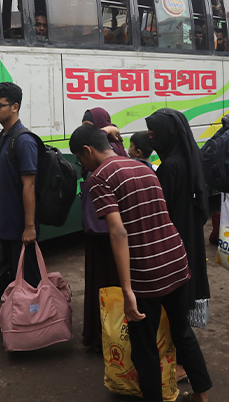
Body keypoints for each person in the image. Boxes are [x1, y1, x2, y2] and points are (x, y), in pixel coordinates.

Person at [70, 124, 212, 402]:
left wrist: (127, 289)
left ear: (87, 151)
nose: (81, 164)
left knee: (144, 346)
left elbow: (118, 231)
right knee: (182, 331)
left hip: (147, 271)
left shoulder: (99, 178)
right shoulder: (143, 166)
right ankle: (201, 395)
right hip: (176, 259)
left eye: (79, 158)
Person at [145, 109, 210, 384]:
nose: (150, 139)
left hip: (174, 239)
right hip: (190, 236)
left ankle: (182, 363)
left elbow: (161, 209)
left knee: (176, 306)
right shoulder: (189, 159)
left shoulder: (170, 166)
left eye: (153, 134)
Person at [80, 108, 124, 350]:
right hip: (97, 231)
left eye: (90, 126)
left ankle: (110, 338)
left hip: (107, 231)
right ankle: (99, 335)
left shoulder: (112, 149)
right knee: (99, 284)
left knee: (109, 285)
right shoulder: (102, 143)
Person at [0, 82, 41, 287]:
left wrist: (29, 228)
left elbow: (29, 186)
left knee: (30, 280)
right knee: (16, 278)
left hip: (21, 227)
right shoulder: (4, 137)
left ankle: (38, 317)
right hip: (8, 223)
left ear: (15, 107)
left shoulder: (23, 141)